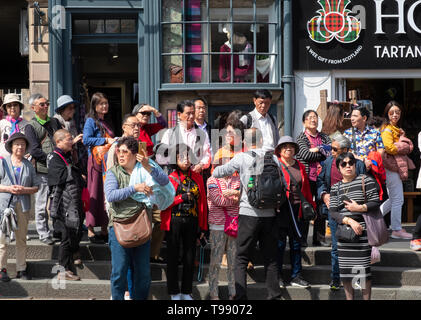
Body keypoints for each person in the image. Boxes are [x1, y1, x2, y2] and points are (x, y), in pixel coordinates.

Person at [213, 128, 282, 300]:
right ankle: (274, 295)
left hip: (248, 213)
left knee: (241, 258)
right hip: (270, 214)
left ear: (244, 142)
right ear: (260, 141)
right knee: (271, 258)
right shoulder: (273, 158)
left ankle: (241, 298)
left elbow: (218, 173)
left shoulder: (242, 157)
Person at [105, 136, 169, 300]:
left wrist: (149, 166)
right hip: (119, 227)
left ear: (135, 154)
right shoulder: (113, 172)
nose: (120, 155)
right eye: (119, 151)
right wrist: (135, 188)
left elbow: (164, 180)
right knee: (119, 271)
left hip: (142, 226)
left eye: (125, 152)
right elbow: (111, 195)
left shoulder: (145, 167)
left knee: (143, 272)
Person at [316, 134, 366, 290]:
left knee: (358, 245)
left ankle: (358, 279)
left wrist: (361, 206)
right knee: (337, 247)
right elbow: (320, 181)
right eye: (331, 148)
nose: (331, 151)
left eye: (335, 149)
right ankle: (336, 279)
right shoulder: (328, 162)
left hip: (355, 209)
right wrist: (324, 195)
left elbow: (366, 186)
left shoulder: (358, 165)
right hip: (335, 209)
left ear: (345, 150)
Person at [329, 152, 381, 300]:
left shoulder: (365, 180)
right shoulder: (336, 187)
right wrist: (349, 221)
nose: (348, 166)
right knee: (346, 272)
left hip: (363, 233)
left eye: (350, 163)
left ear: (355, 164)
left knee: (362, 271)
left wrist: (360, 208)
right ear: (339, 168)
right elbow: (333, 212)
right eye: (343, 164)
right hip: (344, 234)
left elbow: (375, 202)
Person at [160, 143, 208, 300]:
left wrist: (203, 227)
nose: (186, 160)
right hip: (174, 220)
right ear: (175, 159)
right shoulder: (170, 177)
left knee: (189, 257)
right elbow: (164, 202)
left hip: (192, 220)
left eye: (188, 156)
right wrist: (181, 198)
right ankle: (174, 292)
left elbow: (202, 204)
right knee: (173, 257)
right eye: (181, 157)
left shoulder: (198, 177)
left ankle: (186, 291)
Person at [275, 136, 314, 289]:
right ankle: (277, 275)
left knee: (296, 243)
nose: (288, 149)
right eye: (284, 146)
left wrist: (311, 207)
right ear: (279, 150)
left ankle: (296, 275)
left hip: (298, 209)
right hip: (282, 209)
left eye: (291, 146)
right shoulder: (276, 164)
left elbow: (306, 189)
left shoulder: (300, 165)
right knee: (279, 244)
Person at [0, 133, 39, 281]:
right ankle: (1, 269)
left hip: (22, 205)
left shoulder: (29, 165)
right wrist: (9, 189)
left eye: (23, 144)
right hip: (5, 206)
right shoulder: (3, 163)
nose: (20, 147)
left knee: (21, 239)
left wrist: (24, 190)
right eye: (17, 144)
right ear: (11, 146)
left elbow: (35, 187)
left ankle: (21, 269)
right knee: (2, 239)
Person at [47, 129, 85, 281]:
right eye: (69, 139)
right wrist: (76, 172)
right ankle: (62, 270)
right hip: (62, 202)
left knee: (72, 233)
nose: (72, 141)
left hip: (72, 200)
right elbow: (59, 178)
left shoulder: (64, 154)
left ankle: (69, 262)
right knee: (66, 236)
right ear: (58, 142)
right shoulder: (54, 157)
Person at [25, 93, 62, 245]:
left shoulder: (54, 122)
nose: (46, 106)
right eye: (42, 104)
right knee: (41, 205)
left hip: (58, 169)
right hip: (42, 170)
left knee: (60, 201)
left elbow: (61, 140)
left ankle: (59, 230)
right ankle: (43, 233)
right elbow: (34, 150)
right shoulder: (30, 126)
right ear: (33, 108)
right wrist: (51, 159)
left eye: (47, 103)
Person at [83, 92, 116, 244]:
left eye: (106, 103)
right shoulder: (91, 121)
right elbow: (86, 139)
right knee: (94, 193)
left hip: (107, 162)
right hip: (96, 162)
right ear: (95, 106)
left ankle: (104, 229)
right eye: (101, 104)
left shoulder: (107, 121)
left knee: (105, 194)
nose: (105, 106)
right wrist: (105, 140)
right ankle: (90, 230)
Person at [295, 110, 331, 247]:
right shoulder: (301, 138)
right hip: (307, 177)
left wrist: (317, 150)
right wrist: (321, 151)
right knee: (306, 207)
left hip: (322, 178)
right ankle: (303, 238)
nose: (313, 120)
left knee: (322, 207)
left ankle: (319, 238)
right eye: (309, 118)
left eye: (315, 117)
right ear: (304, 122)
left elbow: (330, 150)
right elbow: (305, 155)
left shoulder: (324, 136)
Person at [207, 159, 240, 300]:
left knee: (233, 262)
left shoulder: (238, 179)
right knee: (215, 261)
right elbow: (218, 200)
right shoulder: (211, 180)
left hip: (234, 225)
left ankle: (233, 291)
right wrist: (236, 197)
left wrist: (236, 194)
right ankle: (214, 293)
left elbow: (244, 196)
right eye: (221, 163)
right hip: (217, 225)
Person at [380, 101, 412, 240]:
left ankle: (370, 222)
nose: (395, 115)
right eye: (392, 112)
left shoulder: (395, 128)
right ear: (387, 114)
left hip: (391, 167)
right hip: (391, 168)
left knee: (393, 199)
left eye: (397, 112)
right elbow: (389, 148)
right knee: (398, 199)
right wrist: (403, 146)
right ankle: (396, 229)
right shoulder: (387, 130)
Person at [156, 100, 211, 174]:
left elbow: (206, 155)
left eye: (193, 113)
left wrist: (201, 165)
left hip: (195, 176)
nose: (191, 116)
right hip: (175, 177)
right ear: (179, 114)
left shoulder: (202, 134)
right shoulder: (169, 134)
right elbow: (161, 156)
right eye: (188, 113)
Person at [53, 95, 85, 169]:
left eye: (73, 108)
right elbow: (57, 145)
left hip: (72, 159)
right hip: (61, 161)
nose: (73, 111)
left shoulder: (71, 122)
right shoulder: (55, 122)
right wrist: (73, 141)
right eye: (70, 108)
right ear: (62, 110)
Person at [0, 94, 29, 158]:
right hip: (4, 158)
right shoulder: (2, 123)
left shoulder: (26, 124)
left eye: (15, 105)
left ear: (20, 107)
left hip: (21, 159)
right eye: (9, 106)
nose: (12, 107)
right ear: (6, 108)